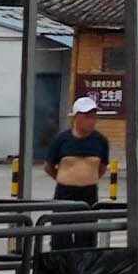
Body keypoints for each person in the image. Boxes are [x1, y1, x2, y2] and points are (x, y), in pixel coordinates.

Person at [44, 97, 111, 250]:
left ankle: (84, 270)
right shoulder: (61, 139)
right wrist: (63, 178)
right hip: (65, 193)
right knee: (61, 237)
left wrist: (89, 178)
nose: (92, 120)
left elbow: (102, 167)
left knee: (86, 237)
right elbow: (48, 166)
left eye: (94, 116)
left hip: (88, 193)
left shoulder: (100, 141)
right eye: (87, 116)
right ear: (76, 117)